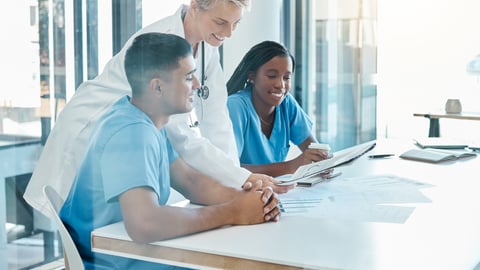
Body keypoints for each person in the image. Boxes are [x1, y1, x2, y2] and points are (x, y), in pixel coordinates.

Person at [24, 0, 293, 217]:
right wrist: (242, 179)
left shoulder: (208, 48)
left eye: (236, 24)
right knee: (81, 230)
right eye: (221, 22)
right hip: (89, 131)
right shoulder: (161, 41)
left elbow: (217, 120)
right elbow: (184, 137)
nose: (228, 33)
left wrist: (241, 181)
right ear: (196, 6)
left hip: (123, 141)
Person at [60, 32, 281, 269]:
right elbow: (144, 224)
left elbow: (191, 181)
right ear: (157, 87)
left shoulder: (147, 122)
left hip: (130, 254)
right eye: (188, 77)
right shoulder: (132, 132)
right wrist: (232, 212)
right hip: (109, 261)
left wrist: (249, 201)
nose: (196, 85)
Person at [227, 41, 329, 177]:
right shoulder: (235, 106)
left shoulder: (286, 104)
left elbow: (314, 151)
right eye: (271, 76)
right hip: (241, 193)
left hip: (274, 190)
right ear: (252, 76)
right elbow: (230, 170)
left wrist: (324, 162)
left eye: (286, 78)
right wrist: (292, 166)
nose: (281, 85)